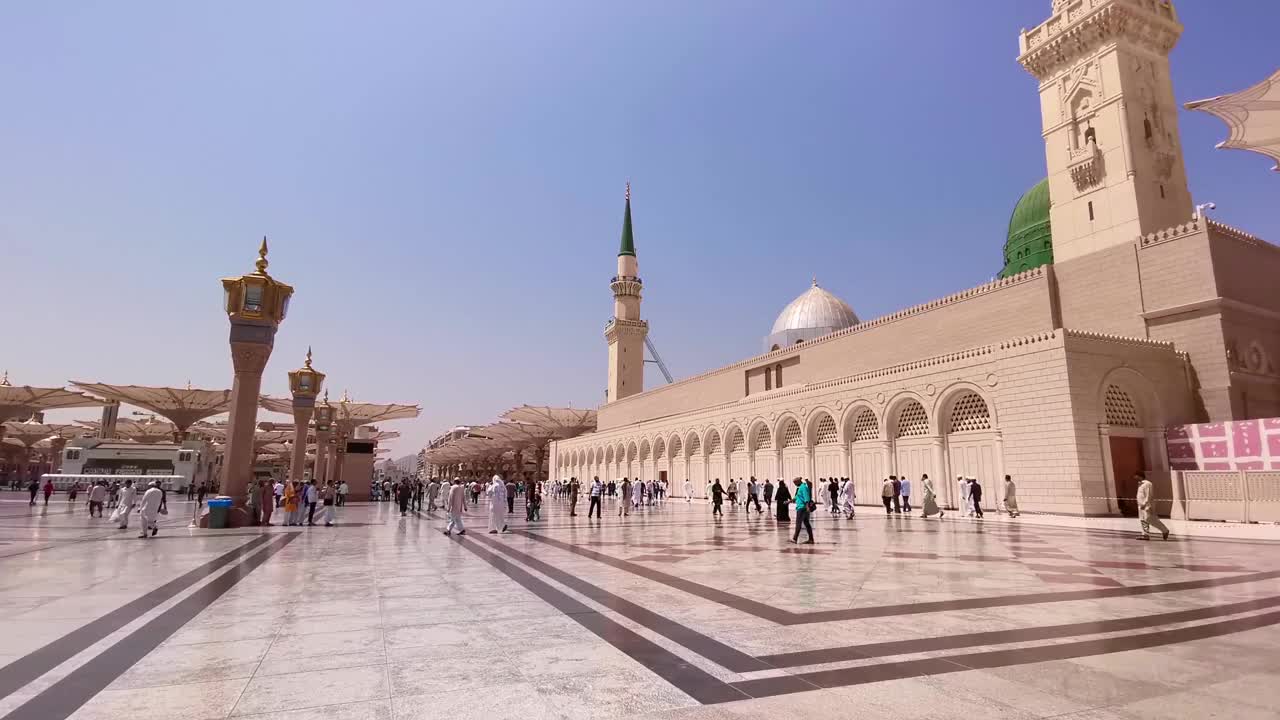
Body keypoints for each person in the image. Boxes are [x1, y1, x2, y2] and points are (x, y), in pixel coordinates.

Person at [1135, 474, 1170, 540]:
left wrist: (1145, 504)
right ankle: (1146, 535)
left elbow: (1148, 495)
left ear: (1140, 475)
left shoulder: (1148, 484)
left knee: (1150, 519)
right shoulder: (1140, 484)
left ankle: (1165, 530)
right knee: (1143, 520)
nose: (1134, 477)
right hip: (1141, 506)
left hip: (1147, 505)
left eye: (1136, 476)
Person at [791, 478, 814, 544]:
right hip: (802, 507)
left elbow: (806, 497)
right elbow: (797, 497)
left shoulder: (803, 487)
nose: (795, 484)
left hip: (802, 508)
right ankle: (811, 539)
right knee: (807, 524)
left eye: (795, 483)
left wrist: (807, 507)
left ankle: (795, 539)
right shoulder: (801, 487)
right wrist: (789, 501)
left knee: (798, 523)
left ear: (798, 482)